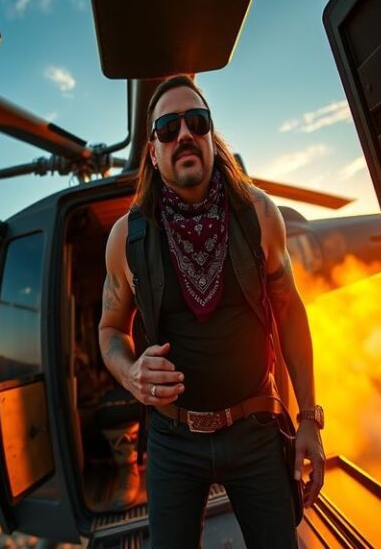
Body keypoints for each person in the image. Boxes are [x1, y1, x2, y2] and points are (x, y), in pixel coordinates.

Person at [98, 75, 324, 548]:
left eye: (197, 122)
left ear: (210, 136)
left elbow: (289, 311)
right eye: (167, 128)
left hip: (255, 429)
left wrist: (308, 418)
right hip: (173, 439)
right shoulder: (126, 238)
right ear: (153, 153)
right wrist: (130, 373)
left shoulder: (258, 213)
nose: (184, 134)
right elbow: (110, 329)